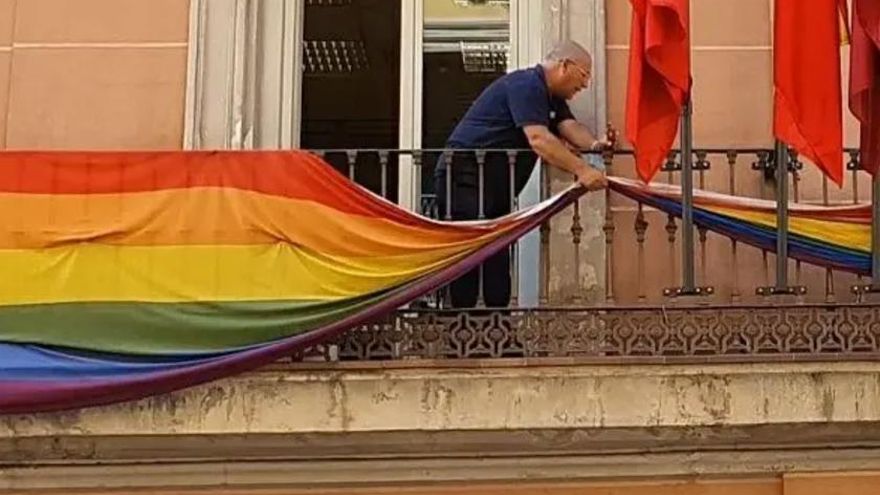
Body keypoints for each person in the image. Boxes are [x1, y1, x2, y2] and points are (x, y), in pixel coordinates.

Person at [434, 40, 613, 309]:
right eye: (584, 74)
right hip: (466, 175)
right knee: (469, 254)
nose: (585, 84)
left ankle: (497, 333)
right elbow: (539, 139)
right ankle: (462, 333)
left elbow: (569, 127)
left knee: (497, 254)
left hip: (494, 183)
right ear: (565, 65)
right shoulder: (527, 85)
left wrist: (596, 146)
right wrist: (583, 170)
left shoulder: (551, 98)